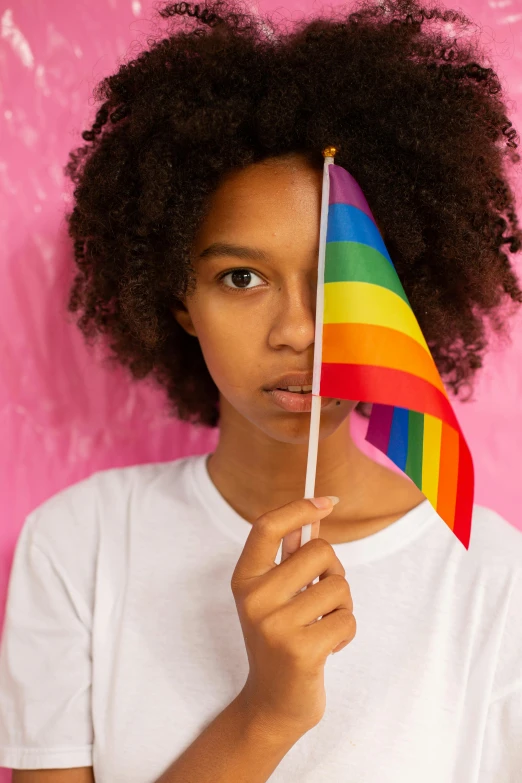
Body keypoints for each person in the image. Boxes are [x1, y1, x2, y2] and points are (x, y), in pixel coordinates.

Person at [1, 0, 522, 780]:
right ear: (179, 296)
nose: (301, 331)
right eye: (241, 277)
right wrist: (267, 715)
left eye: (339, 277)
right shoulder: (81, 543)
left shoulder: (491, 575)